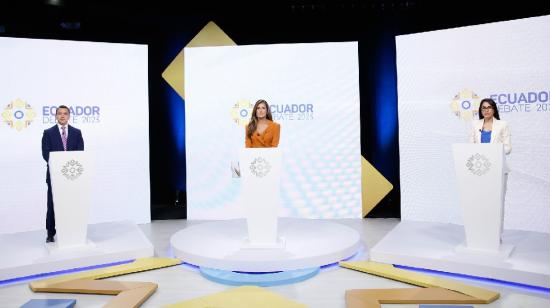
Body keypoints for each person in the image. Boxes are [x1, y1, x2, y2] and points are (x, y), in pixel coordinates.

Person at [469, 98, 511, 240]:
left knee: (496, 204)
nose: (486, 110)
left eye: (489, 107)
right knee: (480, 203)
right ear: (480, 111)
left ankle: (496, 235)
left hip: (497, 169)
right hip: (480, 170)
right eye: (483, 108)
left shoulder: (502, 125)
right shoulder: (475, 125)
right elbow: (470, 146)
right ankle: (481, 234)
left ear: (494, 109)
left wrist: (493, 151)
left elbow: (508, 147)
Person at [41, 105, 84, 243]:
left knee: (72, 204)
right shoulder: (48, 133)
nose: (62, 116)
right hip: (54, 176)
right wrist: (60, 164)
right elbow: (45, 154)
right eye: (59, 113)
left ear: (69, 116)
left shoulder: (77, 133)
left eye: (65, 113)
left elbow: (80, 153)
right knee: (52, 205)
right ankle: (50, 233)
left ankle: (72, 231)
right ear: (56, 116)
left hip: (72, 176)